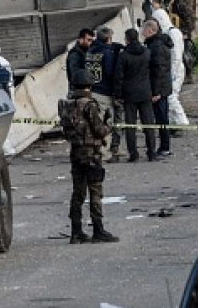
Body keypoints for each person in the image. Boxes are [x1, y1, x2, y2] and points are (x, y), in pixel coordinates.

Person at [59, 69, 118, 244]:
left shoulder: (66, 105)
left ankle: (76, 232)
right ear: (89, 85)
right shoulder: (89, 104)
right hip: (92, 154)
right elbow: (99, 130)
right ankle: (98, 230)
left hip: (76, 153)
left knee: (77, 193)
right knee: (95, 191)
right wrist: (109, 122)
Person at [114, 28, 157, 162]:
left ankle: (133, 154)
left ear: (127, 39)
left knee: (130, 126)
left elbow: (119, 77)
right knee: (148, 124)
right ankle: (151, 152)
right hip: (145, 92)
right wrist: (155, 91)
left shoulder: (123, 55)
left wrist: (118, 95)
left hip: (129, 93)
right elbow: (153, 73)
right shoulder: (147, 52)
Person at [86, 26, 124, 161]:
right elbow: (110, 73)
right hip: (105, 92)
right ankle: (103, 152)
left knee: (95, 121)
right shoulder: (108, 54)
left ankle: (103, 150)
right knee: (106, 123)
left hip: (92, 89)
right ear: (109, 38)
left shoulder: (90, 51)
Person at [151, 9, 190, 135]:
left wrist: (172, 73)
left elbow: (177, 55)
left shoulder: (173, 33)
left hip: (175, 70)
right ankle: (174, 123)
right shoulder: (167, 33)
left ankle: (181, 121)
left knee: (171, 97)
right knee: (168, 97)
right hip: (170, 69)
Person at [143, 19, 173, 157]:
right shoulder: (159, 44)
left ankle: (165, 147)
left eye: (144, 30)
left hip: (159, 89)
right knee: (162, 117)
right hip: (163, 87)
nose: (142, 33)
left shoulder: (156, 47)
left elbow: (158, 71)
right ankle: (164, 146)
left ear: (150, 30)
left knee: (161, 118)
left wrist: (156, 92)